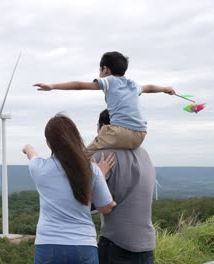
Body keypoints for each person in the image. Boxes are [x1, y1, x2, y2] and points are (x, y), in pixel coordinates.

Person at [34, 51, 176, 158]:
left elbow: (79, 85)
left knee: (85, 156)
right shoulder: (133, 85)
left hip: (119, 132)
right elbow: (150, 87)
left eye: (100, 70)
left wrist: (52, 86)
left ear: (105, 69)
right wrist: (165, 89)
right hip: (140, 134)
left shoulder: (110, 81)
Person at [22, 113, 117, 264]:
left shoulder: (39, 168)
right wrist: (101, 175)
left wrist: (28, 148)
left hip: (48, 244)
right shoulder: (92, 170)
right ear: (75, 138)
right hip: (84, 245)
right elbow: (106, 207)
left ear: (49, 143)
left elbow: (32, 155)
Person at [92, 109, 156, 264]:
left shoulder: (102, 156)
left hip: (116, 242)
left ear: (102, 127)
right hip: (146, 244)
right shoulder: (144, 154)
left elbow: (87, 204)